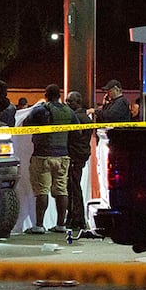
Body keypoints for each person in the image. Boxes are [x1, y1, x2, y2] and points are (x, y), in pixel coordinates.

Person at [22, 84, 79, 234]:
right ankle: (61, 224)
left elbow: (26, 124)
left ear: (46, 95)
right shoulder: (69, 111)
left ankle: (39, 225)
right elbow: (77, 131)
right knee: (61, 190)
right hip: (62, 156)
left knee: (42, 190)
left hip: (42, 156)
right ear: (59, 96)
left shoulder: (41, 110)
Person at [65, 91, 93, 232]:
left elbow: (75, 139)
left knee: (73, 187)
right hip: (81, 156)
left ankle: (77, 219)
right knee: (74, 186)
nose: (67, 104)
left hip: (75, 156)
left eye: (69, 101)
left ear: (76, 102)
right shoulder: (85, 117)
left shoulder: (76, 118)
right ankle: (76, 218)